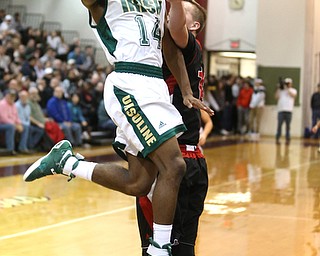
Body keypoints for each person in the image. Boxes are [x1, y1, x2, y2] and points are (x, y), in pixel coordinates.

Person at [23, 1, 212, 256]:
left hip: (154, 85)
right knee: (174, 166)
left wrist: (187, 92)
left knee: (139, 183)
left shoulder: (158, 3)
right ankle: (160, 248)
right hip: (129, 82)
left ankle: (67, 163)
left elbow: (169, 48)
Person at [136, 1, 210, 255]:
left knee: (162, 249)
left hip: (173, 160)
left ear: (194, 25)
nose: (170, 13)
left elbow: (175, 26)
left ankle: (72, 165)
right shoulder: (169, 51)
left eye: (180, 11)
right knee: (174, 249)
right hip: (183, 156)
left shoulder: (188, 45)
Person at [275, 77, 297, 145]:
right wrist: (279, 88)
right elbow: (276, 97)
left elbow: (293, 95)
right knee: (279, 125)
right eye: (286, 83)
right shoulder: (281, 91)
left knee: (288, 126)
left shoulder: (293, 90)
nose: (287, 85)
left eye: (288, 83)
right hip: (281, 110)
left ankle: (288, 139)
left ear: (291, 84)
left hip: (289, 111)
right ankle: (277, 138)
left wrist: (287, 89)